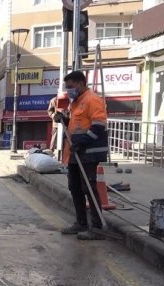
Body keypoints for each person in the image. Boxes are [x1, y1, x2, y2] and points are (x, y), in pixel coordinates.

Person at [54, 70, 108, 240]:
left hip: (88, 153)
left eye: (70, 86)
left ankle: (97, 227)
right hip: (75, 153)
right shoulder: (76, 102)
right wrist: (63, 118)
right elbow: (76, 125)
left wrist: (83, 142)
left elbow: (98, 125)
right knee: (75, 188)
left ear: (80, 83)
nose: (68, 90)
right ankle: (81, 223)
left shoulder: (92, 99)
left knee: (89, 189)